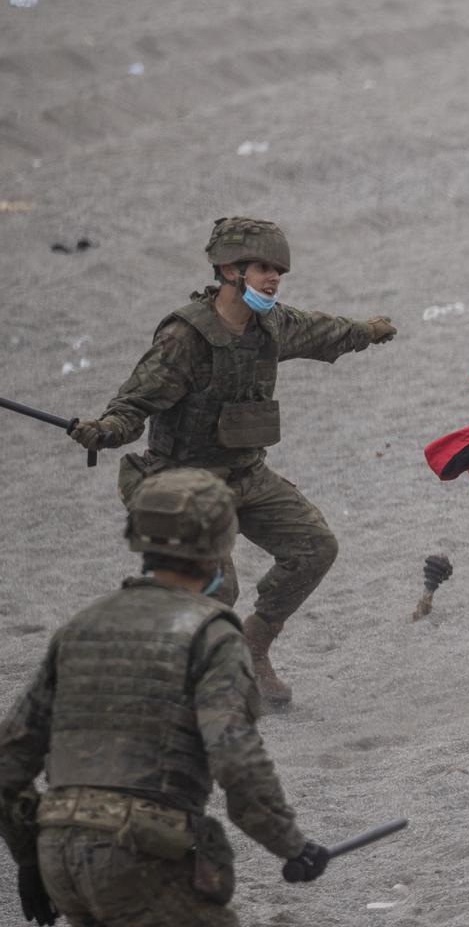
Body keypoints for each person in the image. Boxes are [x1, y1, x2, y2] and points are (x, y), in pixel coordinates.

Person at [0, 470, 328, 927]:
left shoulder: (83, 627)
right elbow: (236, 758)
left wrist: (31, 857)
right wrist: (289, 844)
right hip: (141, 850)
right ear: (220, 544)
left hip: (62, 852)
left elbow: (9, 762)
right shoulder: (211, 633)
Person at [67, 216, 397, 706]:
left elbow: (325, 331)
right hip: (186, 484)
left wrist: (367, 331)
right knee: (219, 587)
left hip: (246, 476)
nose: (273, 279)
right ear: (228, 269)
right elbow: (135, 404)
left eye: (278, 270)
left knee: (314, 547)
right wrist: (106, 430)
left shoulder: (271, 326)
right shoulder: (186, 338)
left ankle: (253, 646)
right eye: (262, 268)